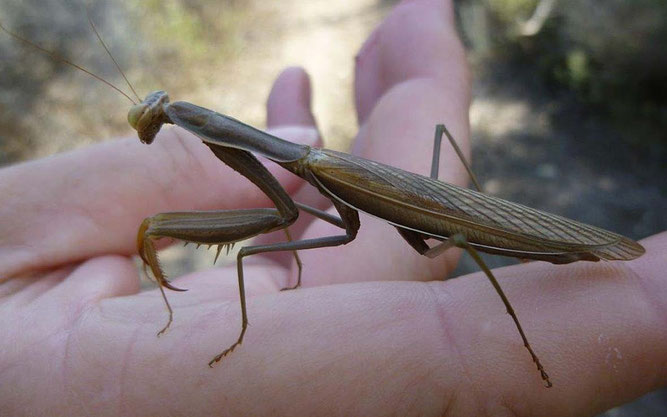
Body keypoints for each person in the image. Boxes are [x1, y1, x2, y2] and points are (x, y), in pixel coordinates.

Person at [1, 0, 664, 415]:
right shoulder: (298, 170)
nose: (150, 122)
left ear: (180, 122)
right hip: (397, 205)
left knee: (455, 226)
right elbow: (293, 217)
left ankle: (526, 334)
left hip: (447, 213)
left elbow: (283, 219)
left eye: (158, 117)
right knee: (292, 233)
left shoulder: (305, 166)